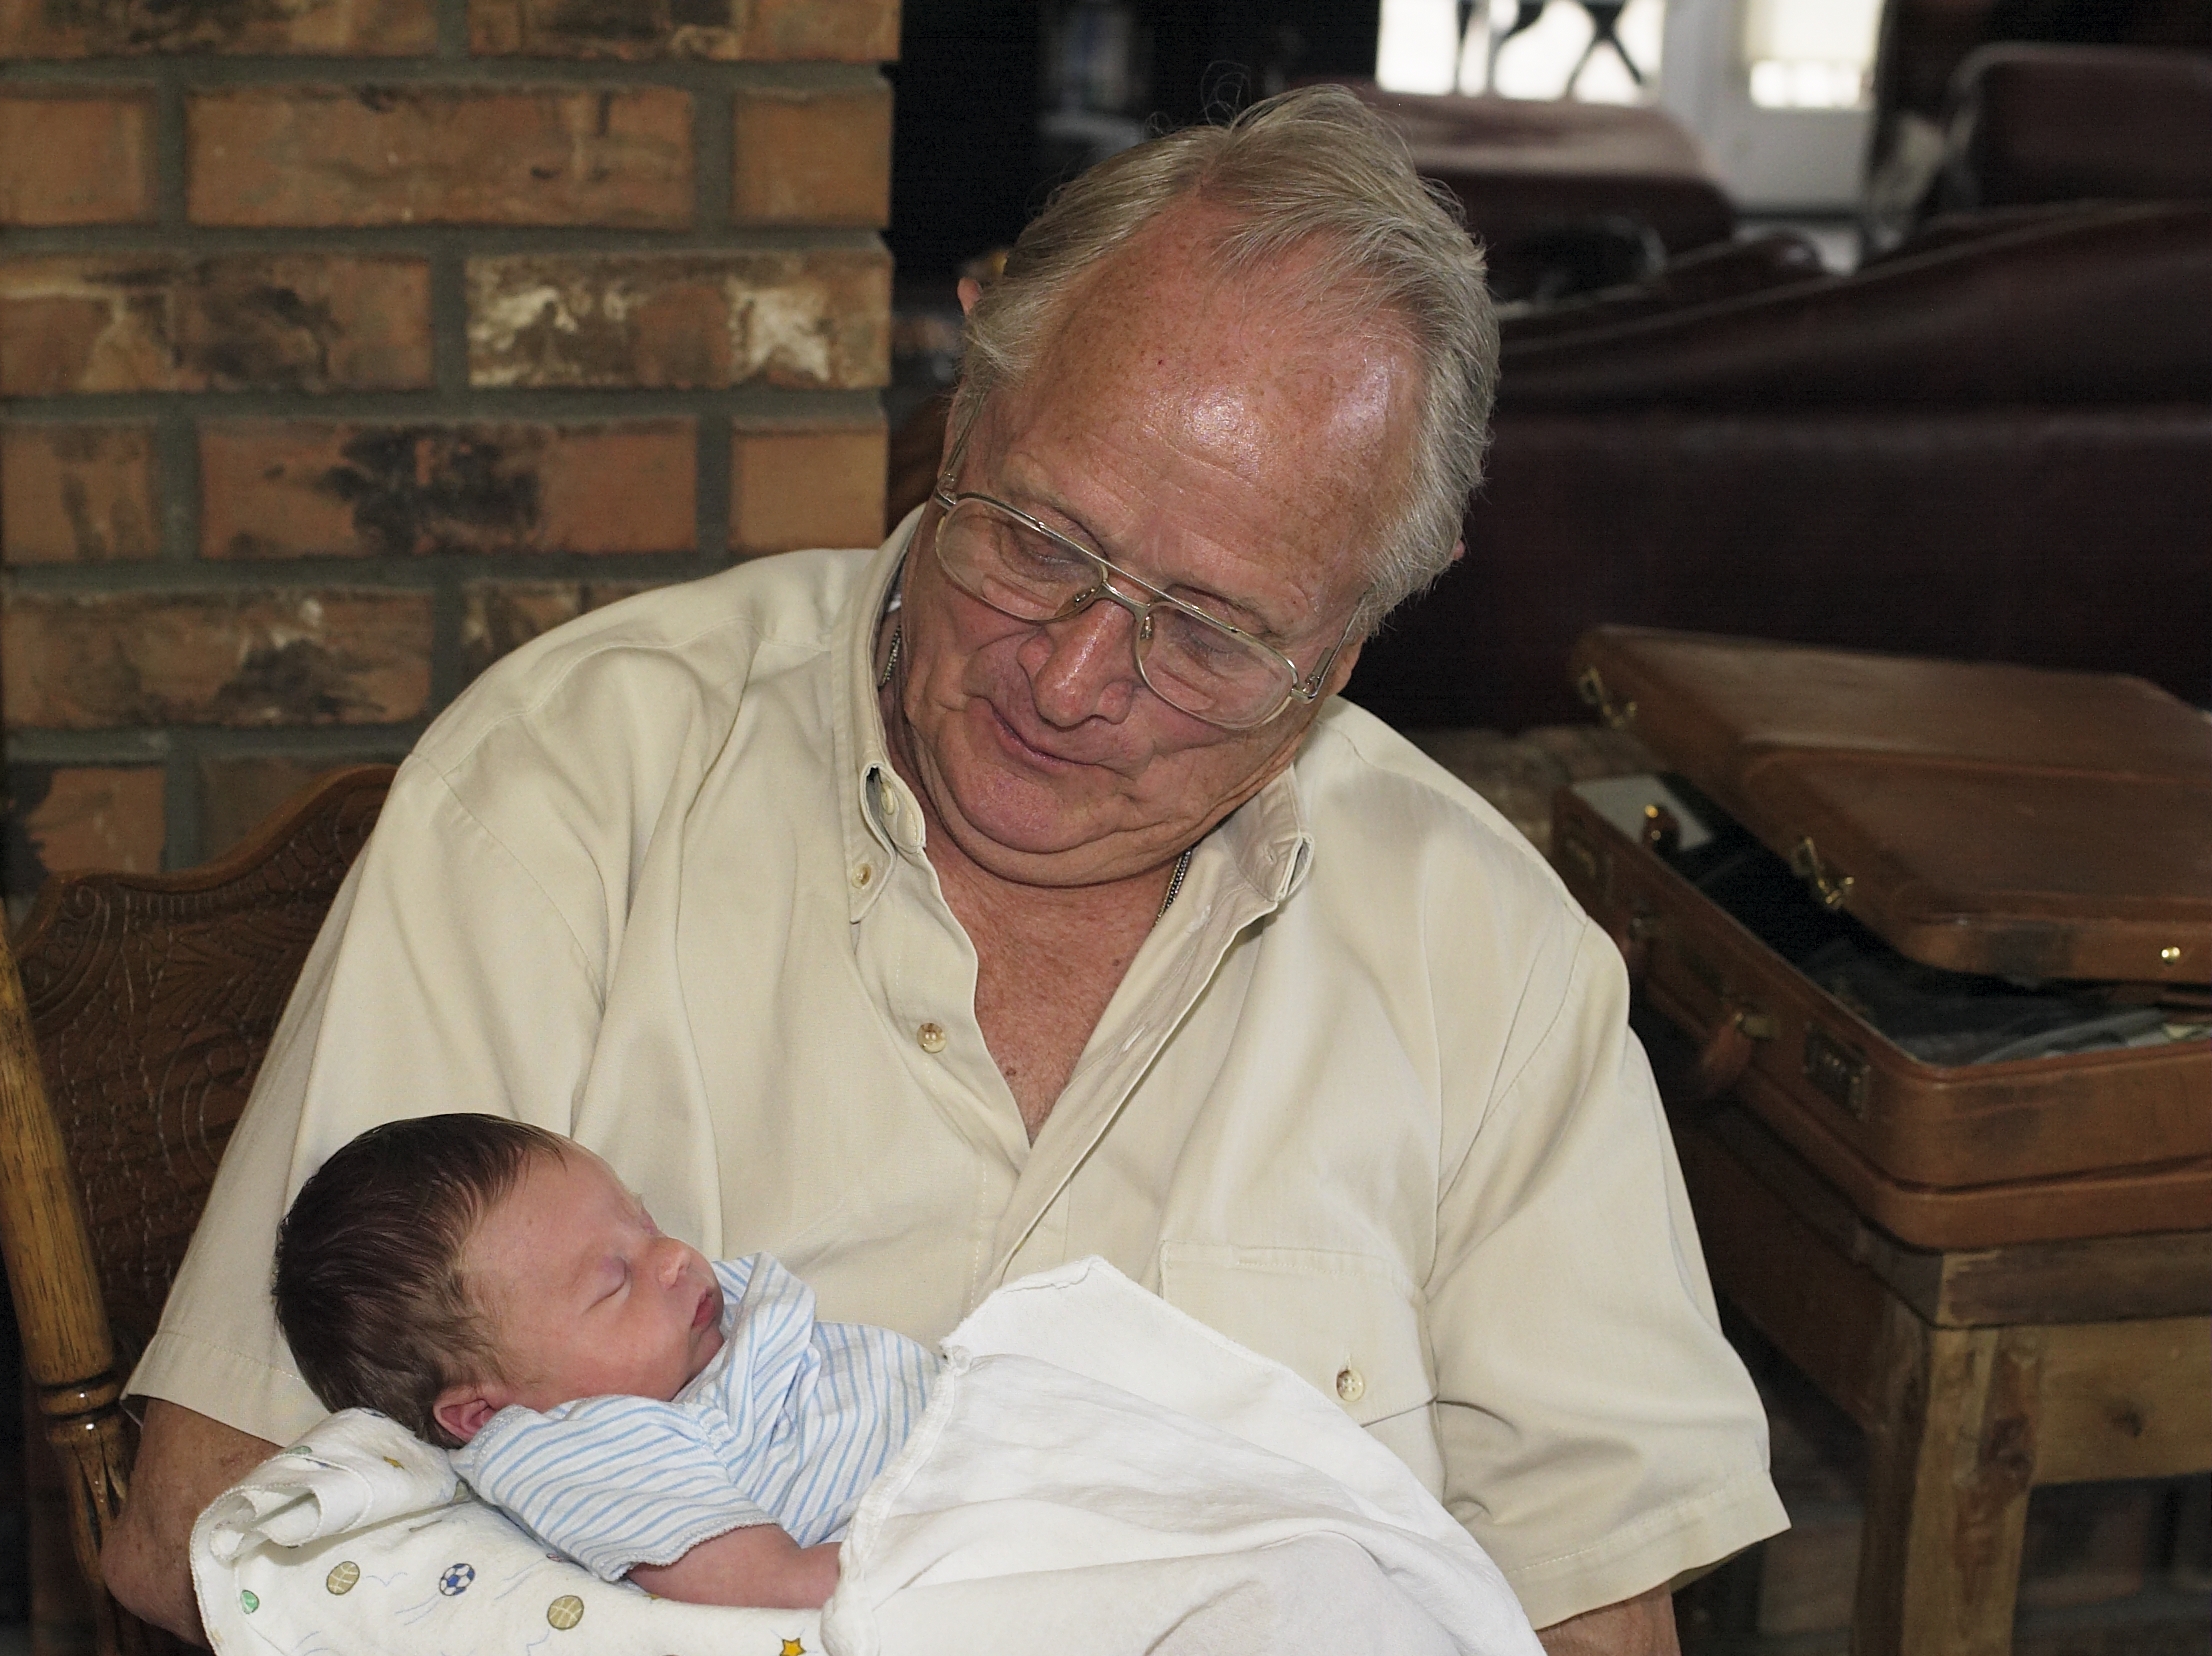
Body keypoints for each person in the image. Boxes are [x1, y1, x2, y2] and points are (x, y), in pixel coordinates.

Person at [103, 84, 1788, 1654]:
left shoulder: (1488, 957)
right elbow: (213, 1523)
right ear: (965, 399)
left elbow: (1592, 1619)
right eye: (1038, 542)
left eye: (1210, 633)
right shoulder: (572, 784)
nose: (1068, 680)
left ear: (1349, 641)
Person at [271, 1114, 938, 1609]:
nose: (673, 1257)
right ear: (486, 1413)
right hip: (923, 1552)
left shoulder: (697, 1331)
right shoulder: (576, 1449)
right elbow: (777, 1584)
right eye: (614, 1282)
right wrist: (956, 1551)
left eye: (644, 1224)